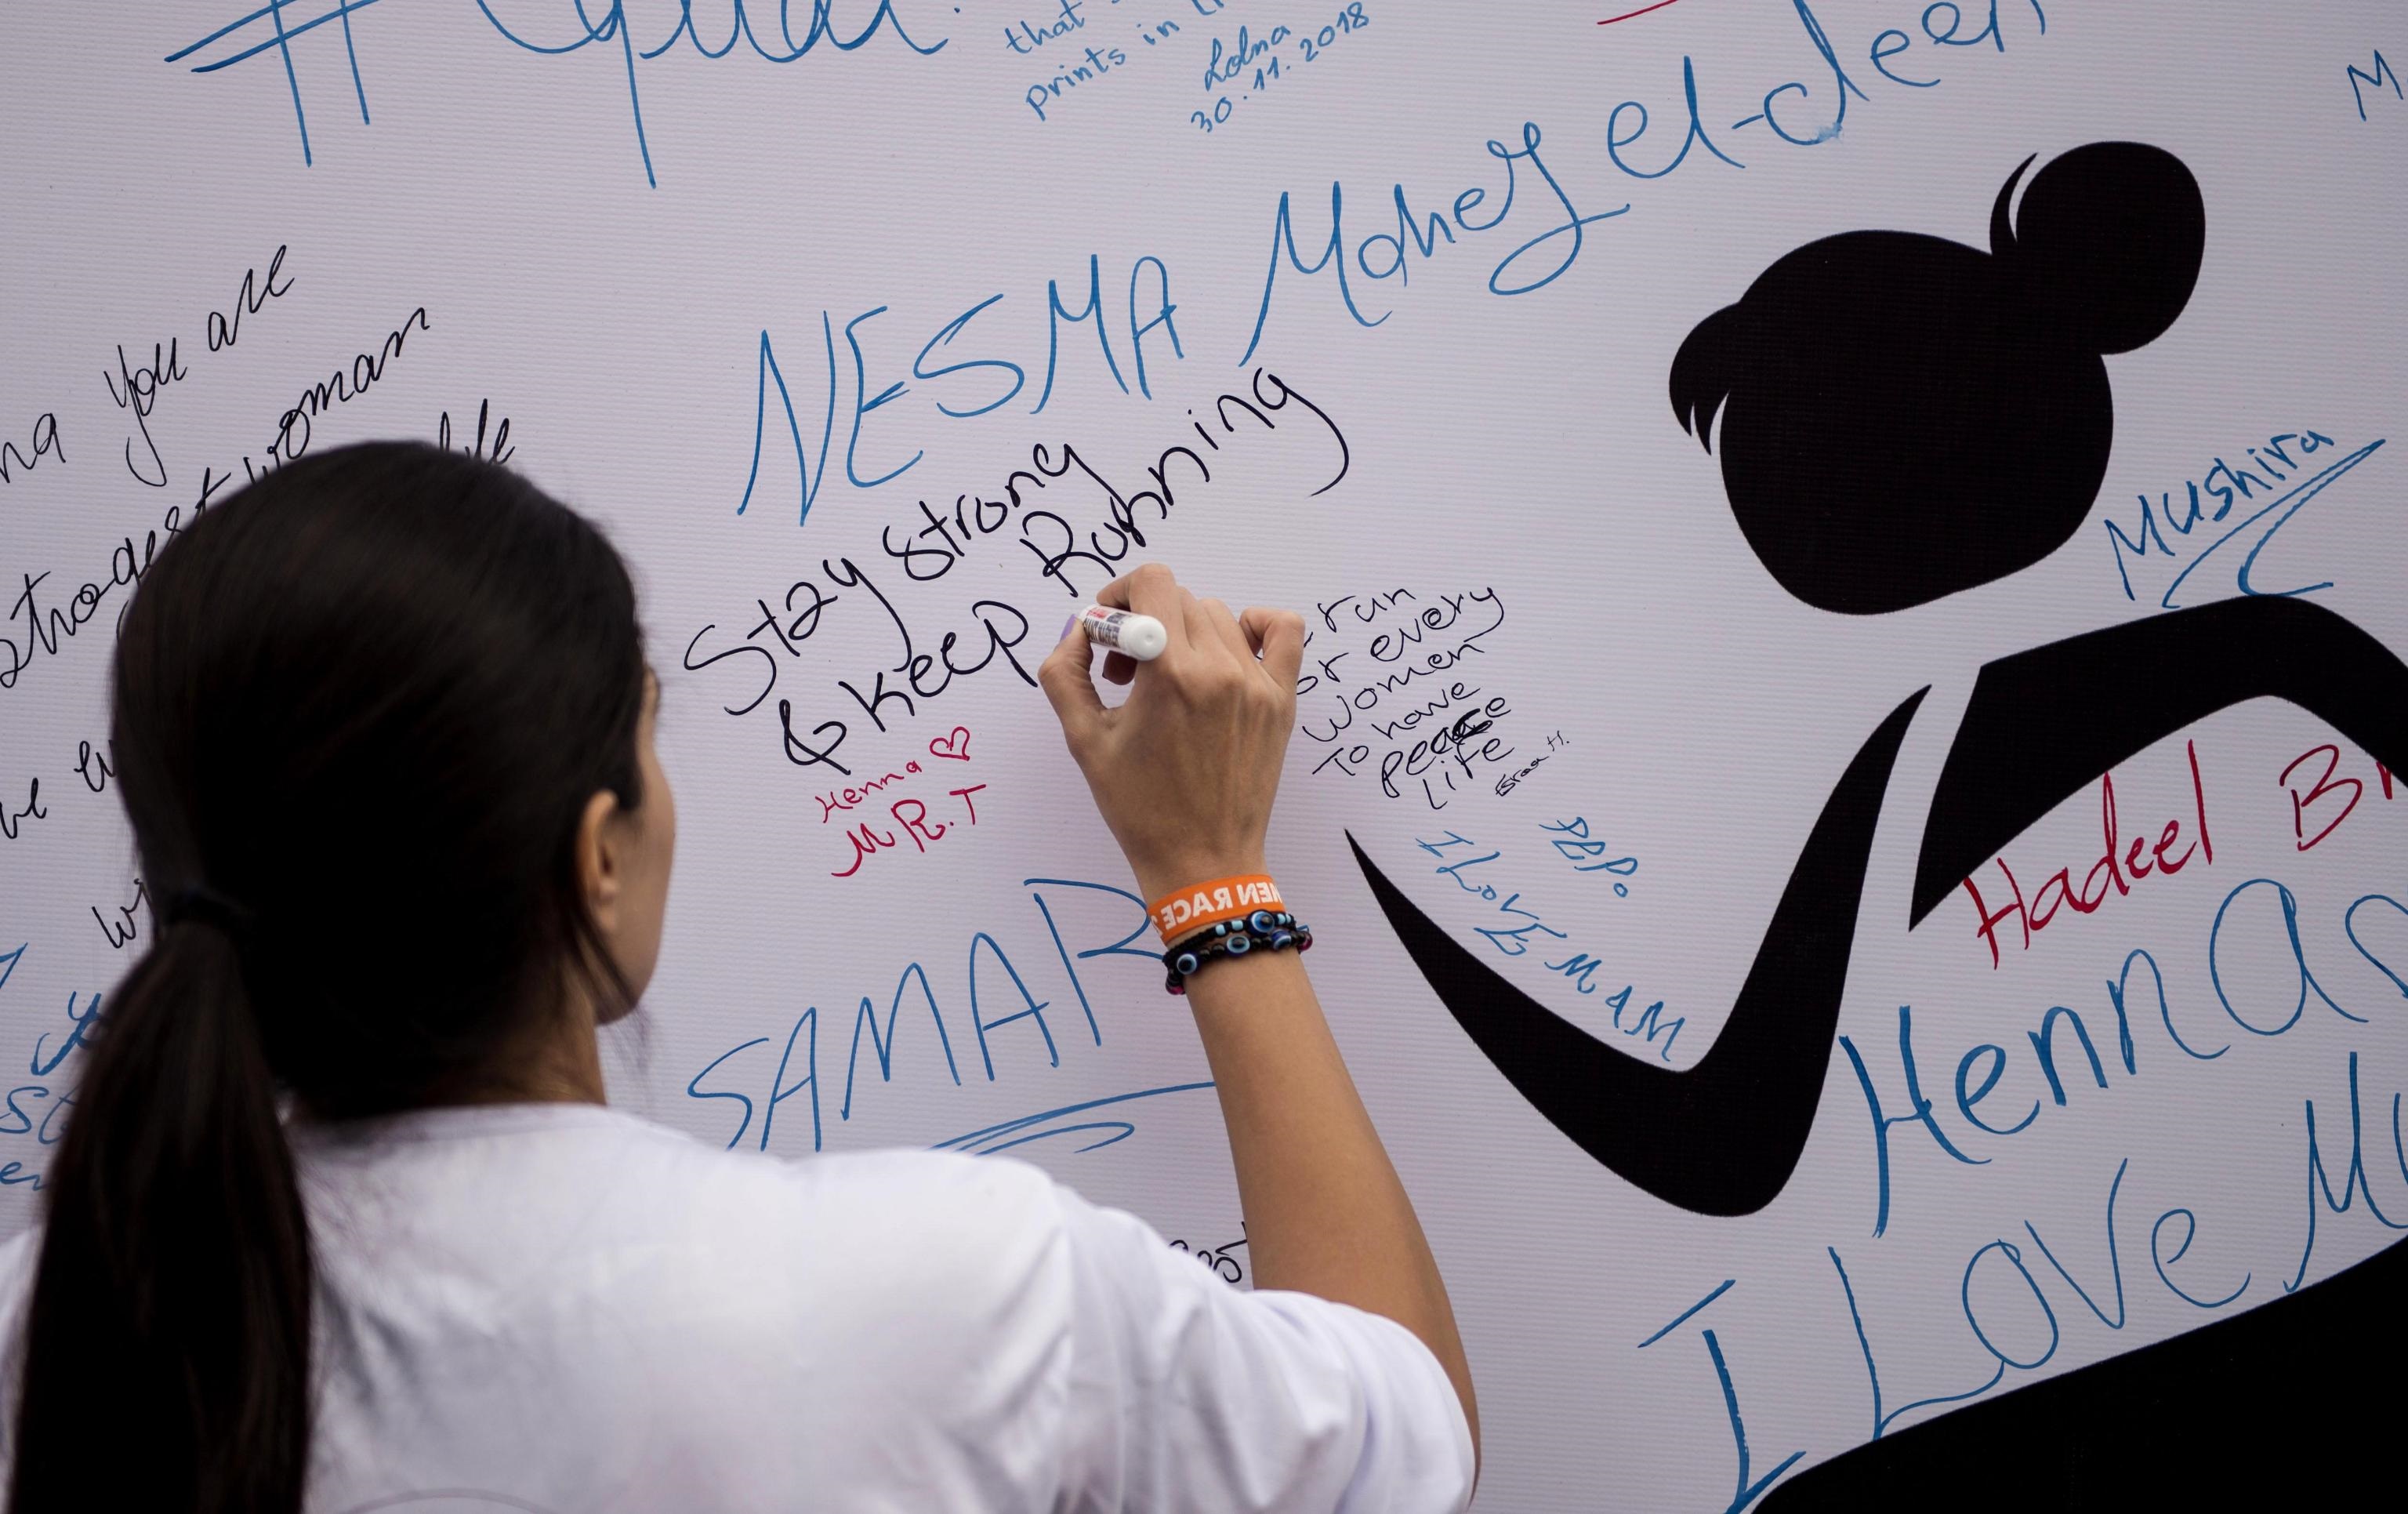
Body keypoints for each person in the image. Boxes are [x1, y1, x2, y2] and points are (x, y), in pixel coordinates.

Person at [0, 443, 1478, 1512]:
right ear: (595, 858)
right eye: (650, 730)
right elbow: (1406, 1435)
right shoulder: (948, 1296)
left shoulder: (61, 1323)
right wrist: (1212, 874)